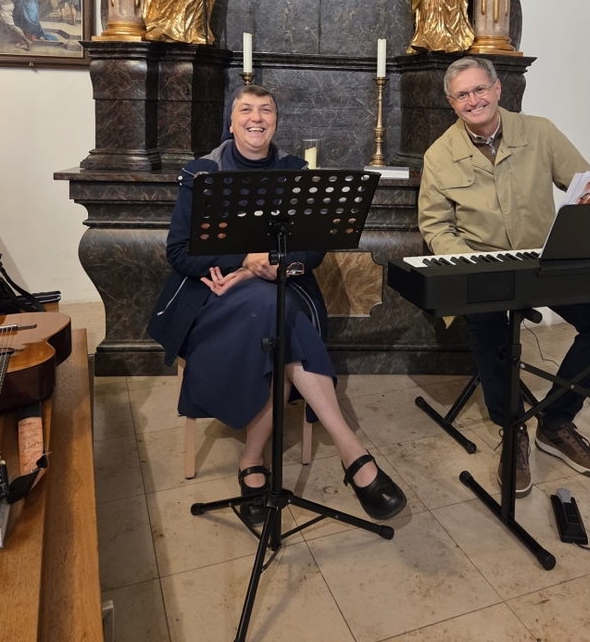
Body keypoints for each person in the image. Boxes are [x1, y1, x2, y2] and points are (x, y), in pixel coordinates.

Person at [147, 83, 406, 522]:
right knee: (279, 314)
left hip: (276, 288)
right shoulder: (201, 172)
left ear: (276, 122)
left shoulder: (294, 171)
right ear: (231, 123)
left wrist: (258, 267)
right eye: (246, 109)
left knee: (275, 313)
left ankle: (252, 461)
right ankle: (353, 454)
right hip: (214, 295)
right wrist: (243, 261)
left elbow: (314, 248)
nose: (256, 117)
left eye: (266, 110)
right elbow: (179, 252)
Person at [418, 56, 590, 496]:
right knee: (490, 329)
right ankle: (512, 429)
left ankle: (556, 421)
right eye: (462, 95)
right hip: (483, 268)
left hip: (544, 262)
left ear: (497, 89)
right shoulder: (439, 155)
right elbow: (436, 227)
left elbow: (587, 188)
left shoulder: (540, 132)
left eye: (480, 89)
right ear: (451, 103)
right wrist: (470, 265)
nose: (473, 100)